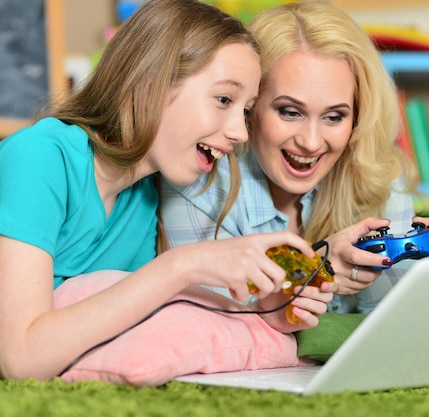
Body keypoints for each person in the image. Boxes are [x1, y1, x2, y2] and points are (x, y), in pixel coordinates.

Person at [0, 0, 334, 382]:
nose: (240, 133)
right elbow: (19, 360)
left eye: (245, 111)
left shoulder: (142, 196)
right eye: (224, 99)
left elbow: (120, 321)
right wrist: (182, 265)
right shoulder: (39, 157)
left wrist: (263, 312)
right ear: (151, 83)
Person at [160, 1, 429, 315]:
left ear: (357, 117)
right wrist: (316, 270)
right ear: (251, 106)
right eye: (289, 112)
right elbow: (207, 319)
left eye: (333, 117)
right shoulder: (198, 177)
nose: (311, 142)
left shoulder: (378, 176)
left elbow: (393, 322)